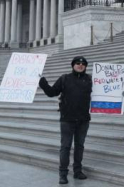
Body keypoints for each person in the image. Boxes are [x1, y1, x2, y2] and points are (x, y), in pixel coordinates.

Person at [39, 56, 92, 184]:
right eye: (77, 63)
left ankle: (77, 171)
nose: (80, 65)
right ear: (73, 65)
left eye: (83, 64)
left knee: (79, 146)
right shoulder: (65, 78)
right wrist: (43, 83)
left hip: (83, 119)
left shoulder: (90, 79)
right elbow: (52, 92)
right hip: (67, 119)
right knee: (65, 147)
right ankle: (63, 174)